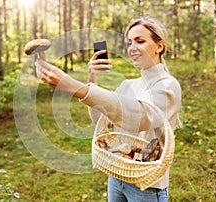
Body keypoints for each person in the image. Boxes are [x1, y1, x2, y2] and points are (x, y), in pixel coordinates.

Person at [35, 16, 181, 202]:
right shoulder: (128, 84)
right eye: (130, 42)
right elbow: (102, 119)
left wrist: (76, 88)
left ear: (159, 46)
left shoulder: (168, 85)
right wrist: (92, 80)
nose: (132, 48)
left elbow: (141, 116)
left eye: (140, 41)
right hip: (117, 175)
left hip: (147, 186)